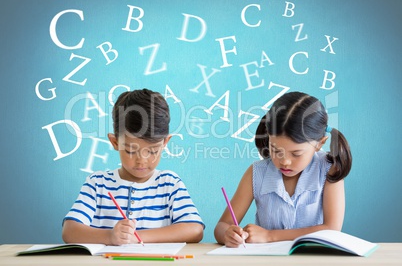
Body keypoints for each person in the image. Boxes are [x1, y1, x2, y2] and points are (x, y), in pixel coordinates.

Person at [62, 88, 204, 245]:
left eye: (152, 151)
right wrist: (110, 237)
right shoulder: (98, 183)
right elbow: (70, 232)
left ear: (165, 143)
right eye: (131, 150)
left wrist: (136, 237)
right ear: (115, 142)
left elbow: (195, 230)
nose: (142, 161)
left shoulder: (169, 183)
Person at [214, 91, 352, 247]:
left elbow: (332, 229)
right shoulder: (256, 173)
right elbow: (221, 226)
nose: (285, 161)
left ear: (320, 143)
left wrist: (269, 236)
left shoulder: (329, 169)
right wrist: (228, 234)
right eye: (276, 150)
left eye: (296, 153)